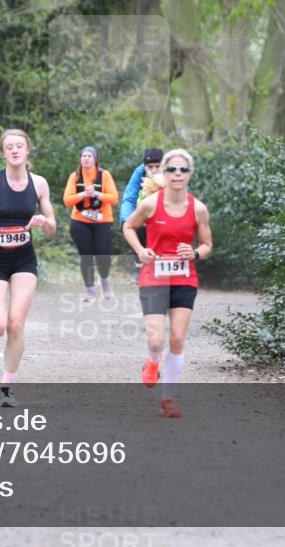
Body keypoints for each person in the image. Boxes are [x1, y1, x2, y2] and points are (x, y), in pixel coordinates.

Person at [0, 129, 56, 407]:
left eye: (20, 146)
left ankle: (7, 387)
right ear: (2, 152)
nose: (15, 150)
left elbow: (52, 228)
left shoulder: (39, 184)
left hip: (24, 261)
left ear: (28, 150)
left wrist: (43, 221)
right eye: (10, 147)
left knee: (16, 324)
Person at [122, 149, 212, 418]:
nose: (177, 174)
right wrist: (141, 250)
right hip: (154, 276)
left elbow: (207, 245)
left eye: (182, 170)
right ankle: (152, 360)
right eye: (171, 169)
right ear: (163, 172)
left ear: (189, 174)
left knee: (177, 338)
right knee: (155, 338)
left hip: (185, 278)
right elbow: (128, 226)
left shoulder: (198, 209)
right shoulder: (150, 204)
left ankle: (168, 398)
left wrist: (195, 253)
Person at [63, 146, 119, 301]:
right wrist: (82, 194)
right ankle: (89, 290)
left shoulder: (104, 175)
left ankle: (105, 283)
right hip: (80, 221)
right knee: (86, 256)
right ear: (80, 159)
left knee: (103, 254)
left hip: (103, 220)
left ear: (95, 159)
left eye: (89, 156)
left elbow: (113, 198)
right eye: (83, 156)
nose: (86, 159)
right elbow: (67, 200)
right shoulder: (74, 176)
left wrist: (97, 194)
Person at [120, 148, 164, 251]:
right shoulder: (139, 173)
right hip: (144, 220)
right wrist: (126, 220)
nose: (153, 170)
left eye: (157, 166)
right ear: (144, 166)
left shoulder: (172, 173)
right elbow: (130, 197)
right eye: (150, 167)